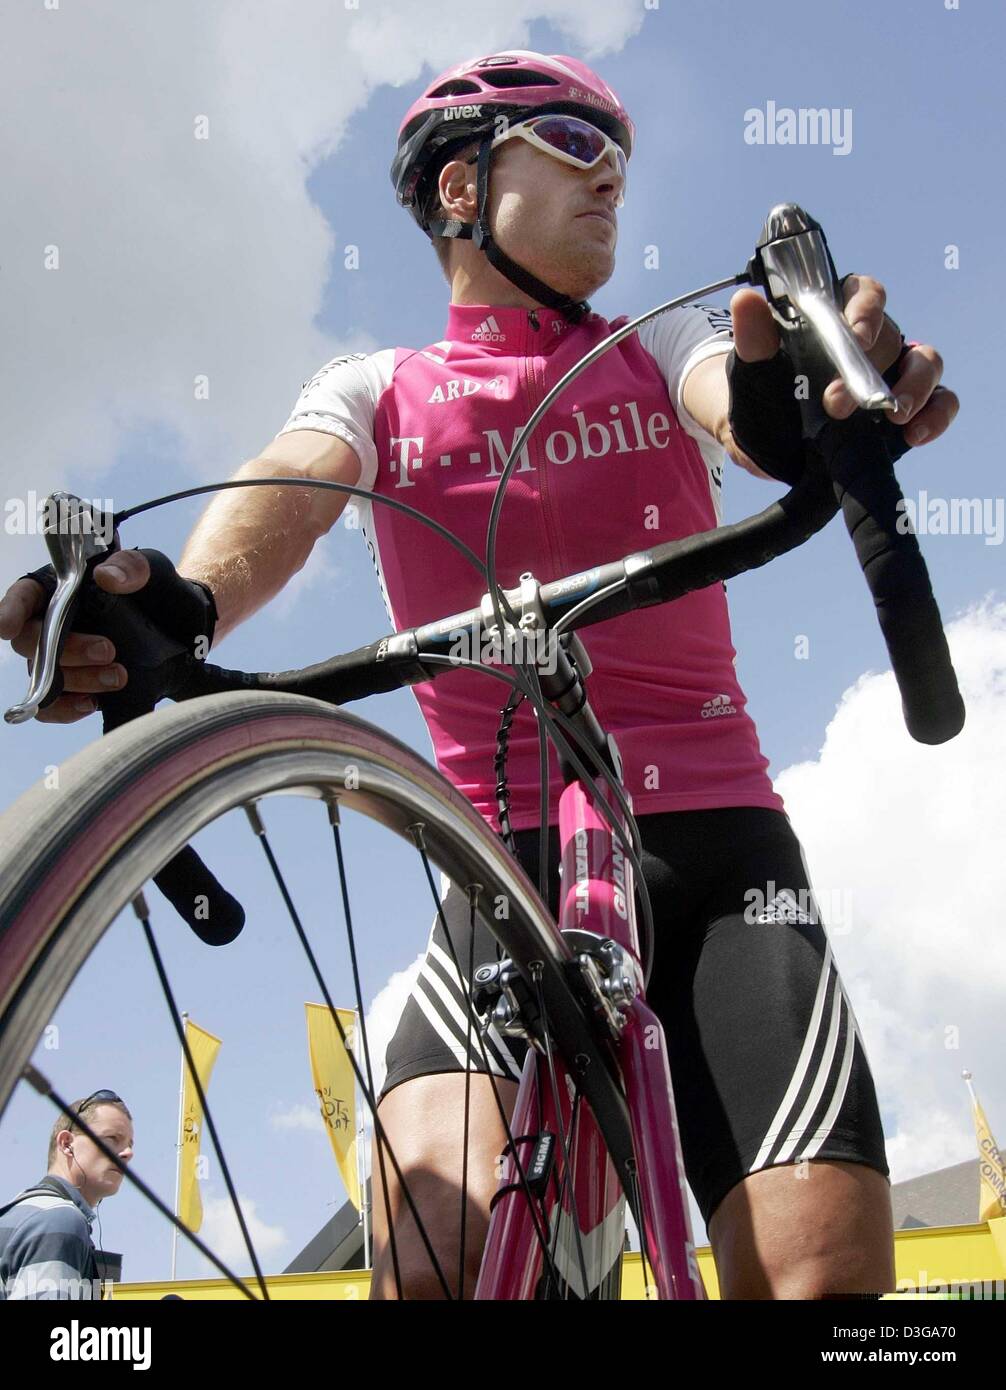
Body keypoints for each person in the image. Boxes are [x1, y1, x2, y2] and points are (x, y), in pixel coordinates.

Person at [0, 51, 958, 1299]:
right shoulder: (379, 388)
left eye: (621, 147)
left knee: (821, 1287)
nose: (610, 168)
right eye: (569, 138)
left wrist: (801, 405)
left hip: (722, 860)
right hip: (501, 867)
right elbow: (286, 493)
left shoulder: (657, 339)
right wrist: (178, 605)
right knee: (438, 1249)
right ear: (461, 184)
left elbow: (736, 393)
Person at [0, 1090, 134, 1299]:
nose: (127, 1153)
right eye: (112, 1138)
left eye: (129, 1145)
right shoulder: (60, 1220)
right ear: (66, 1144)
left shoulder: (21, 1214)